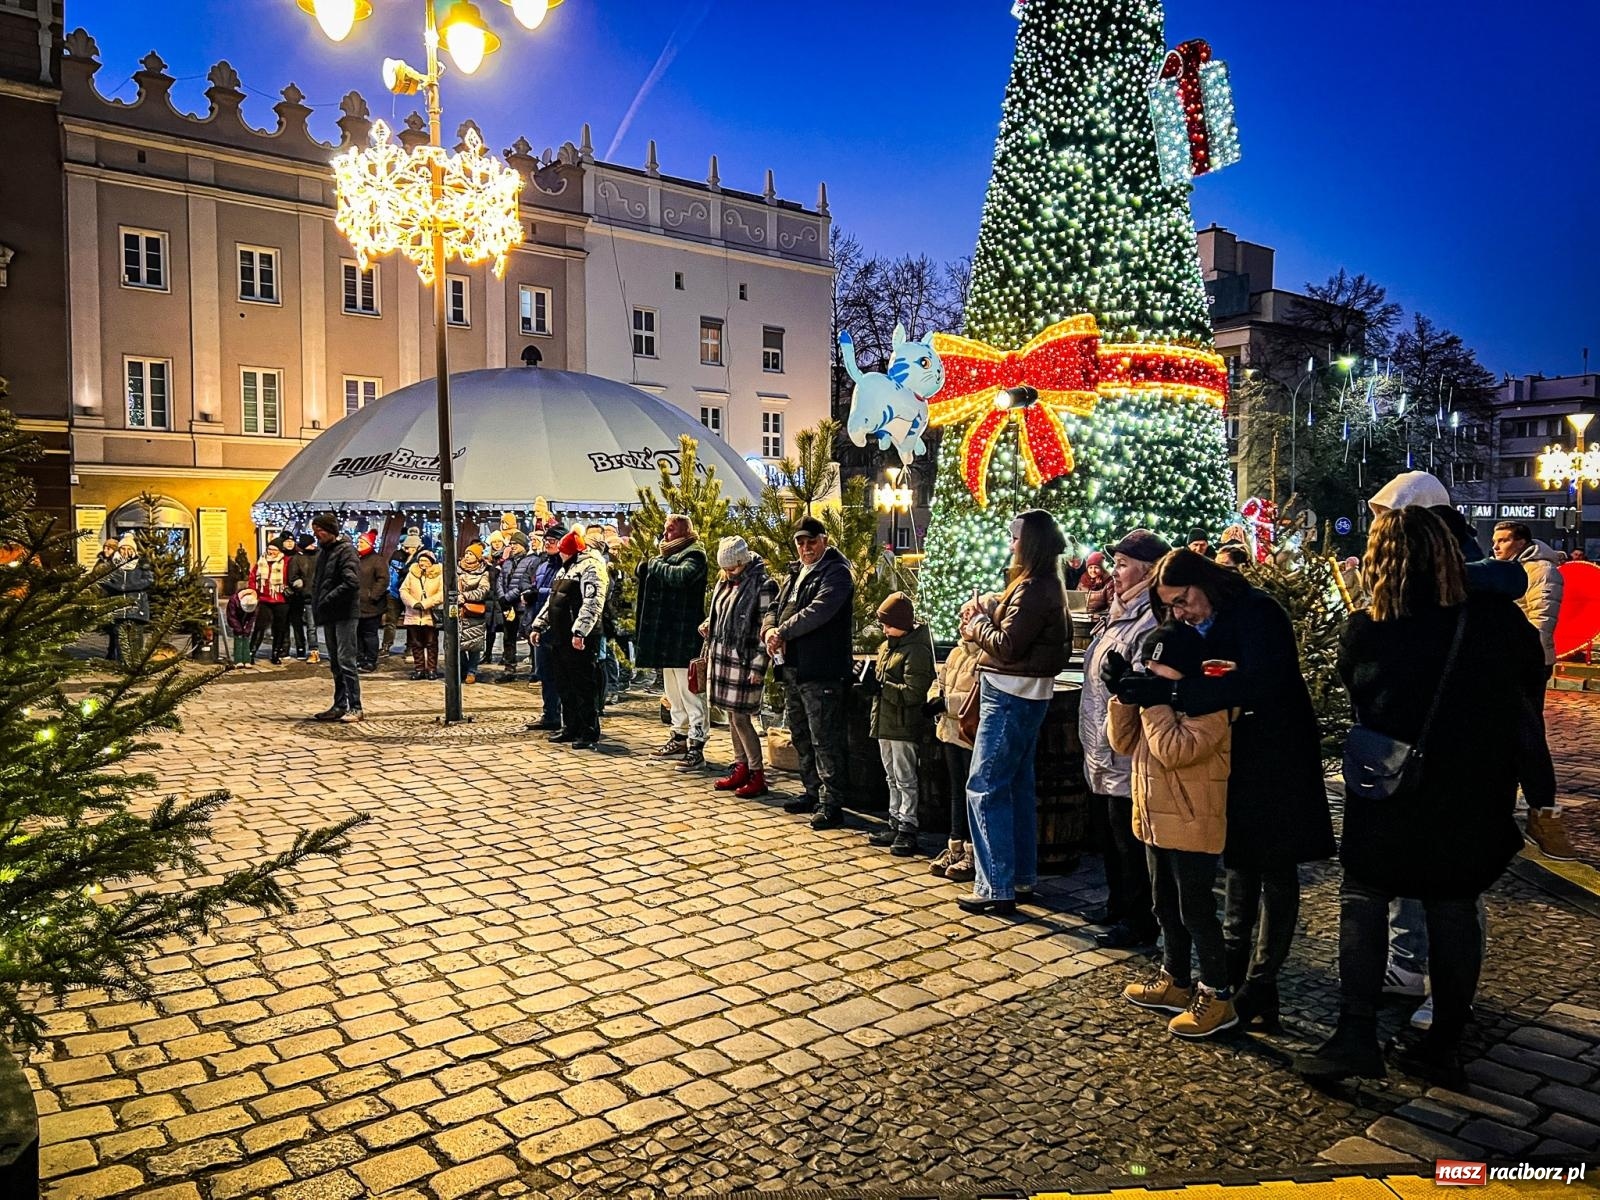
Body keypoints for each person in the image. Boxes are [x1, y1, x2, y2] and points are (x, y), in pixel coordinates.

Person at [1295, 507, 1544, 1086]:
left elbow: (1357, 690)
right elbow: (1525, 711)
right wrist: (1540, 794)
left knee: (1363, 900)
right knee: (1452, 904)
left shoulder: (1371, 625)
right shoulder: (1500, 623)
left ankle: (1355, 1034)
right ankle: (1446, 1037)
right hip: (1471, 789)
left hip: (1389, 783)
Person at [1137, 548, 1335, 1030]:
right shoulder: (1195, 623)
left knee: (1274, 867)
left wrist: (1177, 694)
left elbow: (1258, 684)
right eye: (1172, 607)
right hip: (1234, 757)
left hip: (1276, 755)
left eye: (1184, 601)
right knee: (1240, 863)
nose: (1181, 613)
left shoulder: (1258, 613)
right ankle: (1231, 978)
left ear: (1205, 584)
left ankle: (1261, 982)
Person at [1111, 620, 1236, 1038]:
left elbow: (1174, 750)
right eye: (1149, 668)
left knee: (1196, 911)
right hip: (1154, 819)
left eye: (1164, 671)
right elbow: (1123, 743)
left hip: (1193, 822)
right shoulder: (1157, 699)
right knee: (1163, 904)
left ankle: (1218, 994)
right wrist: (1123, 697)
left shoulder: (1211, 705)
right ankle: (1175, 979)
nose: (1154, 677)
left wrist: (1152, 703)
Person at [956, 509, 1069, 915]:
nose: (1010, 543)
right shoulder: (1039, 586)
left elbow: (1007, 645)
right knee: (1016, 786)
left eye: (1015, 537)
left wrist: (978, 626)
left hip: (1010, 695)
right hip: (1023, 694)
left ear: (1032, 543)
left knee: (984, 786)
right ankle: (1019, 876)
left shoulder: (1036, 588)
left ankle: (995, 885)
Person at [1079, 529, 1169, 947]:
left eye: (1122, 566)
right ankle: (1118, 902)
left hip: (1126, 749)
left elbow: (1139, 682)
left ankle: (1139, 917)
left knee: (1129, 837)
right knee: (1111, 834)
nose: (1114, 574)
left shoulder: (1149, 619)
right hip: (1101, 742)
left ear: (1148, 573)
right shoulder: (1118, 611)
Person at [762, 516, 855, 829]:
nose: (805, 547)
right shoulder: (795, 572)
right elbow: (774, 606)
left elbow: (819, 610)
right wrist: (769, 629)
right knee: (801, 734)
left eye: (811, 541)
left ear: (824, 540)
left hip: (822, 668)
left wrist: (782, 632)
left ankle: (832, 802)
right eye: (800, 542)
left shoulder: (836, 573)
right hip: (794, 668)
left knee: (824, 738)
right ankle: (812, 791)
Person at [1491, 519, 1573, 861]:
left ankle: (1543, 815)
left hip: (1527, 664)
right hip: (1508, 662)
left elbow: (1542, 620)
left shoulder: (1539, 570)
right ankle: (1504, 815)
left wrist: (1522, 660)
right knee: (1507, 738)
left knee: (1527, 736)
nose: (1496, 546)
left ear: (1522, 540)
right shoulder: (1505, 570)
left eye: (1504, 540)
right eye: (1495, 540)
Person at [702, 536, 778, 799]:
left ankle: (757, 773)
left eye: (732, 568)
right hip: (723, 655)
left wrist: (758, 667)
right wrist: (710, 623)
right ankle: (740, 766)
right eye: (724, 568)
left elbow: (763, 628)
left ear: (743, 561)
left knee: (743, 717)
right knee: (732, 716)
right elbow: (723, 611)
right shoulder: (725, 581)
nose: (728, 573)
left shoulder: (763, 585)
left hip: (744, 659)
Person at [636, 514, 710, 769]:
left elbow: (680, 577)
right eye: (665, 529)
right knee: (673, 693)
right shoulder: (666, 556)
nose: (665, 534)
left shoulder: (695, 555)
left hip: (684, 637)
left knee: (690, 693)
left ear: (683, 532)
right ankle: (679, 736)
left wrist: (654, 564)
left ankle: (696, 742)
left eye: (670, 530)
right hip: (667, 637)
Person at [868, 592, 935, 857]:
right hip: (885, 721)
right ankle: (894, 820)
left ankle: (908, 825)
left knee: (905, 777)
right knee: (891, 775)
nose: (884, 629)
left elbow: (912, 693)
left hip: (903, 724)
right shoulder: (888, 647)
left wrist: (881, 688)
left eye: (888, 623)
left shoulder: (916, 650)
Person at [530, 528, 607, 749]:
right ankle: (571, 726)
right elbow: (553, 601)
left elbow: (592, 602)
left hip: (579, 637)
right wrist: (539, 625)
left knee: (583, 685)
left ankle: (588, 730)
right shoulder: (567, 568)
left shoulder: (591, 567)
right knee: (565, 684)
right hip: (560, 635)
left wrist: (580, 631)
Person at [929, 638, 981, 883]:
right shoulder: (955, 653)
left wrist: (948, 703)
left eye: (968, 616)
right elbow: (939, 681)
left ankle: (972, 852)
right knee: (956, 792)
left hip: (969, 733)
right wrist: (933, 699)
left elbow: (977, 696)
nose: (963, 622)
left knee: (972, 794)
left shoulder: (983, 656)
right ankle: (955, 846)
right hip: (949, 731)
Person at [307, 513, 362, 721]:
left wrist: (328, 598)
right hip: (329, 613)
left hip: (345, 613)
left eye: (319, 531)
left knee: (346, 660)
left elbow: (351, 582)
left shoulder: (345, 551)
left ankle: (355, 706)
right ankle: (340, 704)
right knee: (335, 663)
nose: (316, 535)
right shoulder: (324, 552)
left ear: (330, 530)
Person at [523, 527, 565, 726]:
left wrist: (538, 593)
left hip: (560, 626)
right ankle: (550, 715)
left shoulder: (566, 565)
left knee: (561, 674)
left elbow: (560, 592)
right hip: (541, 625)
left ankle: (566, 716)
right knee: (545, 673)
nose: (548, 543)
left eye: (553, 540)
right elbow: (539, 587)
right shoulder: (542, 566)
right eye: (546, 540)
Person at [100, 533, 153, 666]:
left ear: (134, 550)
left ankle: (137, 663)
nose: (126, 552)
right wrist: (117, 587)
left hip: (136, 605)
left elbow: (148, 580)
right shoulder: (113, 565)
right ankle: (123, 663)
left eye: (129, 549)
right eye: (123, 548)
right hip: (118, 606)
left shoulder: (141, 564)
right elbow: (104, 581)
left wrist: (126, 587)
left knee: (136, 634)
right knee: (120, 635)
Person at [494, 531, 539, 683]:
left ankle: (535, 670)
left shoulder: (531, 561)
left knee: (529, 637)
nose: (512, 546)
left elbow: (523, 582)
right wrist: (502, 597)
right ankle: (509, 669)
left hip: (522, 605)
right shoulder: (507, 562)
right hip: (508, 607)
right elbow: (500, 580)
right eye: (511, 544)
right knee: (508, 638)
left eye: (515, 544)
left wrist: (507, 597)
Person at [401, 548, 444, 679]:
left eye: (425, 560)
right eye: (420, 560)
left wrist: (426, 603)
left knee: (431, 643)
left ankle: (432, 669)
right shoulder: (412, 574)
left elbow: (442, 593)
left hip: (430, 614)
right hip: (413, 614)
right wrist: (413, 603)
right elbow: (403, 590)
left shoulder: (439, 575)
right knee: (416, 643)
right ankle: (419, 669)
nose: (422, 563)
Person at [249, 539, 290, 664]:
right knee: (260, 627)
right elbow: (253, 577)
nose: (271, 552)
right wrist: (252, 592)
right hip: (264, 599)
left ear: (279, 551)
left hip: (281, 599)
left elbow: (290, 577)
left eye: (274, 550)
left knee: (279, 628)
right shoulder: (261, 561)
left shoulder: (286, 562)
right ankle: (251, 652)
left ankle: (276, 653)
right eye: (269, 549)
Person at [457, 544, 493, 684]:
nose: (467, 556)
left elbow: (483, 590)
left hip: (474, 611)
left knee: (474, 644)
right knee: (458, 643)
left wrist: (465, 595)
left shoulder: (483, 572)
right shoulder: (457, 570)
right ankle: (463, 668)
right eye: (466, 553)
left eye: (471, 554)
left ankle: (472, 671)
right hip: (459, 611)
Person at [355, 531, 387, 672]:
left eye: (362, 542)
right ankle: (359, 658)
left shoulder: (377, 560)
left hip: (371, 605)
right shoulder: (356, 559)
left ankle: (370, 660)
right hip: (356, 604)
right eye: (358, 542)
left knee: (369, 634)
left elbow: (383, 579)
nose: (358, 544)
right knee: (357, 634)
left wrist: (372, 595)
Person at [284, 533, 316, 660]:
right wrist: (301, 587)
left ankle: (316, 650)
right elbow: (293, 577)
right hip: (305, 596)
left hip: (319, 595)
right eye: (310, 544)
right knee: (310, 626)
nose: (313, 546)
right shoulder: (297, 559)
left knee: (317, 626)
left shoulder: (319, 556)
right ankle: (310, 650)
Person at [225, 584, 258, 669]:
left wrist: (248, 628)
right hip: (237, 619)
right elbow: (232, 616)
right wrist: (237, 627)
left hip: (246, 619)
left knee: (246, 639)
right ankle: (238, 660)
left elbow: (252, 617)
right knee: (238, 638)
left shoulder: (253, 601)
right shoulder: (233, 600)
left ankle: (247, 660)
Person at [1079, 551, 1114, 621]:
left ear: (1102, 568)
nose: (1093, 570)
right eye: (1090, 567)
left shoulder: (1108, 582)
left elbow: (1112, 605)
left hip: (1099, 621)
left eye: (1096, 567)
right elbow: (1077, 601)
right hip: (1082, 619)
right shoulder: (1083, 580)